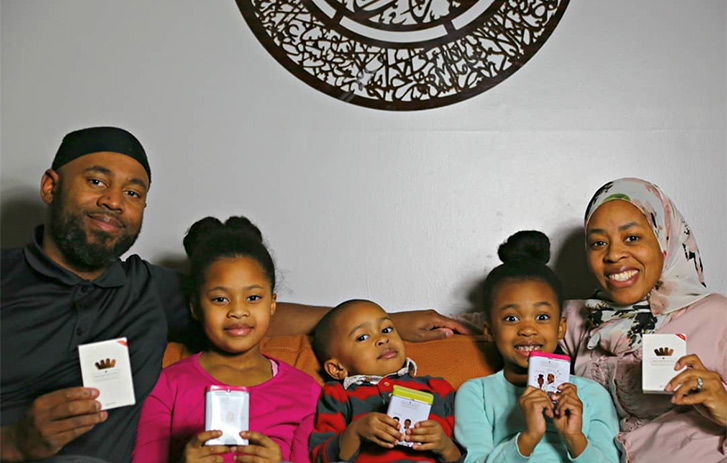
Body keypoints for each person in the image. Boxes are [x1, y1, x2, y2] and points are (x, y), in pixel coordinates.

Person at [0, 126, 472, 462]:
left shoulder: (147, 288)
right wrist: (15, 444)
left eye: (134, 192)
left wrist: (384, 321)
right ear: (50, 186)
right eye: (97, 181)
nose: (113, 201)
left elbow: (250, 308)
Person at [560, 178, 727, 462]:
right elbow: (517, 320)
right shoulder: (578, 317)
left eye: (632, 238)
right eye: (598, 243)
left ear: (665, 238)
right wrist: (471, 324)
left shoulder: (716, 315)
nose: (613, 254)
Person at [132, 216, 320, 463]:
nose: (237, 311)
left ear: (272, 304)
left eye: (253, 298)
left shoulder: (306, 391)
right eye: (220, 299)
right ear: (196, 309)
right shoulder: (166, 386)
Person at [454, 231, 620, 463]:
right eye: (511, 319)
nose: (528, 329)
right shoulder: (476, 394)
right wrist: (528, 438)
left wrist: (574, 438)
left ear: (561, 327)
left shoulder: (592, 395)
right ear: (489, 331)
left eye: (542, 317)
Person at [309, 300, 462, 463]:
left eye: (387, 329)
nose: (382, 339)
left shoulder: (437, 388)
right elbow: (320, 458)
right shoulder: (338, 395)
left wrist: (445, 447)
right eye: (362, 337)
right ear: (337, 368)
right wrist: (354, 433)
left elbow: (469, 456)